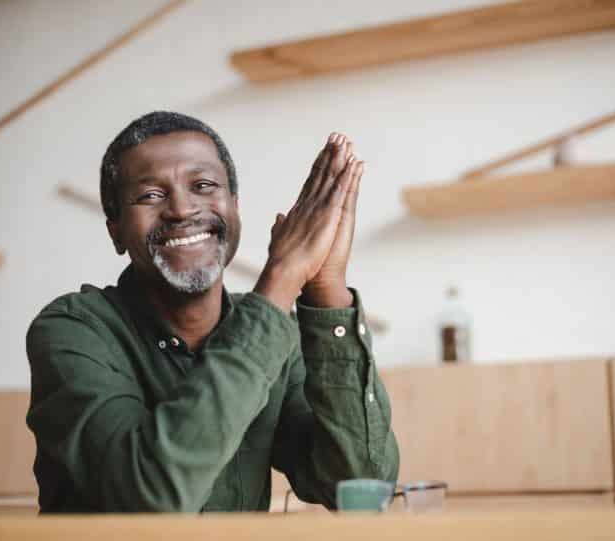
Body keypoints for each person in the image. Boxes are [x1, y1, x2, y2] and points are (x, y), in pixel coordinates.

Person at [26, 111, 399, 513]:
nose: (183, 209)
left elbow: (359, 486)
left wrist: (325, 289)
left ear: (235, 208)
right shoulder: (73, 330)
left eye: (203, 185)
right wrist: (282, 278)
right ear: (115, 229)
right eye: (151, 195)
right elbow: (151, 496)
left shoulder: (279, 339)